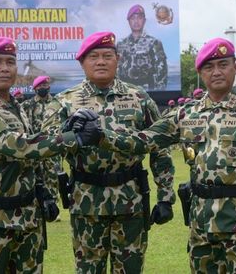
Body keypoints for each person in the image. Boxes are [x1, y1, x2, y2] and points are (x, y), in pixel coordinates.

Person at [92, 37, 236, 273]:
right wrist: (100, 135)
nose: (217, 72)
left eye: (223, 64)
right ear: (200, 73)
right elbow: (145, 140)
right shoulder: (186, 113)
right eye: (209, 67)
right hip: (200, 223)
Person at [41, 31, 176, 273]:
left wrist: (165, 197)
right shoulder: (64, 101)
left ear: (118, 59)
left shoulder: (139, 98)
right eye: (93, 56)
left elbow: (160, 147)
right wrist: (50, 194)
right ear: (82, 62)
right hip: (86, 202)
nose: (101, 61)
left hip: (130, 200)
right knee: (88, 269)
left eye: (107, 55)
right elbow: (49, 146)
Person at [0, 37, 86, 273]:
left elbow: (32, 157)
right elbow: (21, 147)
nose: (5, 68)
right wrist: (71, 138)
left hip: (27, 219)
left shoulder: (16, 107)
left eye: (10, 62)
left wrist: (43, 193)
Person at [22, 75, 63, 218]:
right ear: (35, 89)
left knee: (53, 175)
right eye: (40, 86)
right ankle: (39, 205)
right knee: (37, 175)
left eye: (45, 85)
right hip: (35, 146)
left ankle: (53, 206)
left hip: (53, 145)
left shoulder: (58, 103)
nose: (43, 88)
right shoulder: (28, 105)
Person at [116, 4, 168, 90]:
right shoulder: (121, 43)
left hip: (147, 90)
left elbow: (162, 70)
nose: (136, 21)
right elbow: (116, 69)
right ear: (128, 21)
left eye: (139, 18)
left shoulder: (154, 42)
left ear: (144, 20)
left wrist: (159, 92)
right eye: (133, 18)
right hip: (126, 90)